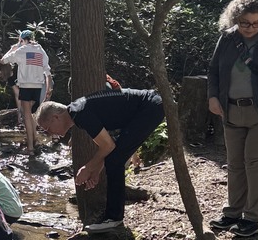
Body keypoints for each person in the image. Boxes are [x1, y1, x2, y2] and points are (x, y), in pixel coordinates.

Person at [36, 89, 164, 232]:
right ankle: (113, 218)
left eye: (47, 129)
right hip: (150, 104)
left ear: (56, 117)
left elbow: (109, 146)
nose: (49, 134)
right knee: (114, 158)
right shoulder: (77, 112)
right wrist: (96, 170)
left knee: (115, 160)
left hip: (150, 106)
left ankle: (114, 218)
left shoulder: (81, 114)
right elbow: (108, 146)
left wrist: (88, 168)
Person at [207, 0, 258, 238]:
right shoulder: (228, 38)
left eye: (256, 23)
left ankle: (254, 218)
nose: (250, 28)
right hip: (231, 111)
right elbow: (214, 70)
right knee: (235, 164)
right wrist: (213, 96)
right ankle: (232, 213)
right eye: (245, 23)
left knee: (255, 164)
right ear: (235, 18)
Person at [0, 30, 53, 157]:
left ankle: (30, 148)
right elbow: (47, 71)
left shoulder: (21, 51)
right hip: (38, 87)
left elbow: (3, 61)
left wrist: (14, 48)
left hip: (25, 86)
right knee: (32, 115)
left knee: (27, 116)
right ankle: (35, 140)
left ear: (22, 40)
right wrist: (49, 88)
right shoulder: (40, 50)